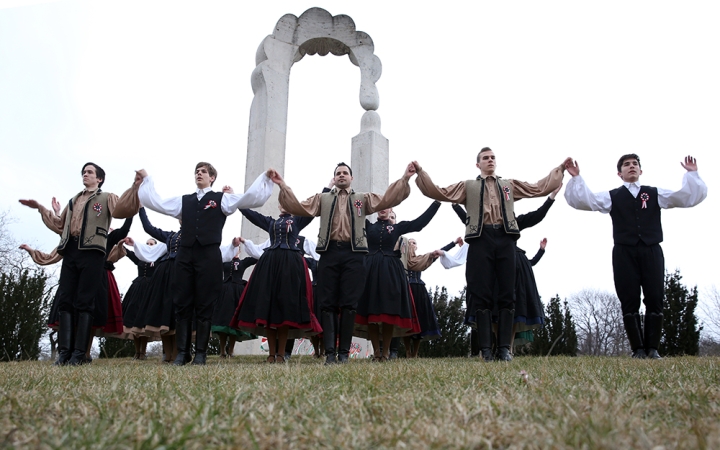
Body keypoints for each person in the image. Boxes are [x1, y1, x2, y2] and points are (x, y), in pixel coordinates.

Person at [412, 149, 569, 361]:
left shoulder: (508, 185)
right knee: (480, 293)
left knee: (507, 293)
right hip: (480, 239)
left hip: (506, 239)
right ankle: (486, 350)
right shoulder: (469, 186)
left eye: (493, 157)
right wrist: (421, 172)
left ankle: (504, 349)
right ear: (478, 164)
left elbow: (537, 188)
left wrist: (560, 169)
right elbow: (439, 192)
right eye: (485, 158)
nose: (490, 160)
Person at [564, 154, 707, 359]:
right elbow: (585, 200)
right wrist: (577, 178)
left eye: (635, 164)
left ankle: (653, 349)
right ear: (619, 173)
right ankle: (637, 350)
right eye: (626, 165)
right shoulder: (612, 196)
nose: (631, 167)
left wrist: (692, 174)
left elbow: (685, 197)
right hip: (624, 252)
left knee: (655, 297)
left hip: (651, 250)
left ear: (641, 171)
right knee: (629, 299)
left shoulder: (654, 193)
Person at [273, 162, 415, 364]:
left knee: (349, 305)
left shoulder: (362, 199)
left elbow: (388, 199)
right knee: (327, 304)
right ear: (334, 178)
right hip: (329, 253)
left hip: (354, 254)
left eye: (345, 173)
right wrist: (282, 185)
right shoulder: (322, 199)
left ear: (351, 178)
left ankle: (344, 354)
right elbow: (297, 206)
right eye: (338, 173)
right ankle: (330, 354)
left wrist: (405, 178)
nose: (341, 175)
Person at [137, 163, 274, 365]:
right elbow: (158, 202)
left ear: (212, 178)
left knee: (204, 303)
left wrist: (265, 178)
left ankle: (200, 353)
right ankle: (183, 353)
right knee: (182, 303)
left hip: (209, 256)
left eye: (203, 171)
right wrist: (146, 180)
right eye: (196, 171)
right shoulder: (185, 201)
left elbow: (249, 198)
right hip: (185, 256)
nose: (199, 174)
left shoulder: (221, 199)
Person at [19, 163, 140, 365]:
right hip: (71, 251)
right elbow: (59, 225)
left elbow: (122, 211)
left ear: (99, 179)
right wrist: (40, 207)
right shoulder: (73, 200)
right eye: (84, 172)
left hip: (93, 253)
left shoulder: (106, 197)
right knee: (66, 301)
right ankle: (64, 353)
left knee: (85, 302)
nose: (85, 174)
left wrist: (134, 188)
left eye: (90, 172)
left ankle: (79, 354)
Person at [231, 206, 320, 363]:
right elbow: (253, 215)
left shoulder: (298, 220)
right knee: (268, 306)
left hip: (291, 266)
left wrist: (329, 186)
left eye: (288, 202)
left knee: (286, 307)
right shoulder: (271, 222)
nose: (284, 205)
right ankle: (271, 354)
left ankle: (281, 354)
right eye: (282, 203)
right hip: (270, 264)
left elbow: (314, 210)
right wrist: (238, 201)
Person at [357, 203, 440, 362]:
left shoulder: (397, 228)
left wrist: (436, 203)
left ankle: (386, 352)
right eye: (381, 205)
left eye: (387, 206)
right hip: (370, 270)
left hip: (390, 271)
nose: (383, 208)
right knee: (371, 311)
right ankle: (376, 352)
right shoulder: (368, 225)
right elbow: (354, 213)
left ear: (391, 211)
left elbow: (419, 223)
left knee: (388, 311)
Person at [401, 236, 460, 357]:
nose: (412, 244)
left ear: (417, 246)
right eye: (410, 243)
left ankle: (415, 353)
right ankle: (407, 351)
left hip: (419, 291)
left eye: (414, 243)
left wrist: (454, 243)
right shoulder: (400, 260)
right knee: (406, 320)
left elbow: (439, 252)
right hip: (406, 291)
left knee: (420, 321)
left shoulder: (423, 258)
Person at [122, 237, 167, 360]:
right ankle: (137, 352)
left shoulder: (159, 259)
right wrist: (118, 238)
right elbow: (128, 252)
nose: (148, 245)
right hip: (138, 289)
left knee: (145, 320)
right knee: (134, 318)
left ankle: (143, 351)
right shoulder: (139, 257)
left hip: (152, 290)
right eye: (147, 243)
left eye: (151, 244)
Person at [212, 240, 258, 358]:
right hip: (224, 292)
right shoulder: (223, 261)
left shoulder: (243, 262)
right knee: (223, 320)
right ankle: (222, 350)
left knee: (234, 321)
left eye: (238, 248)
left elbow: (257, 256)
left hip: (238, 292)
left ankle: (231, 350)